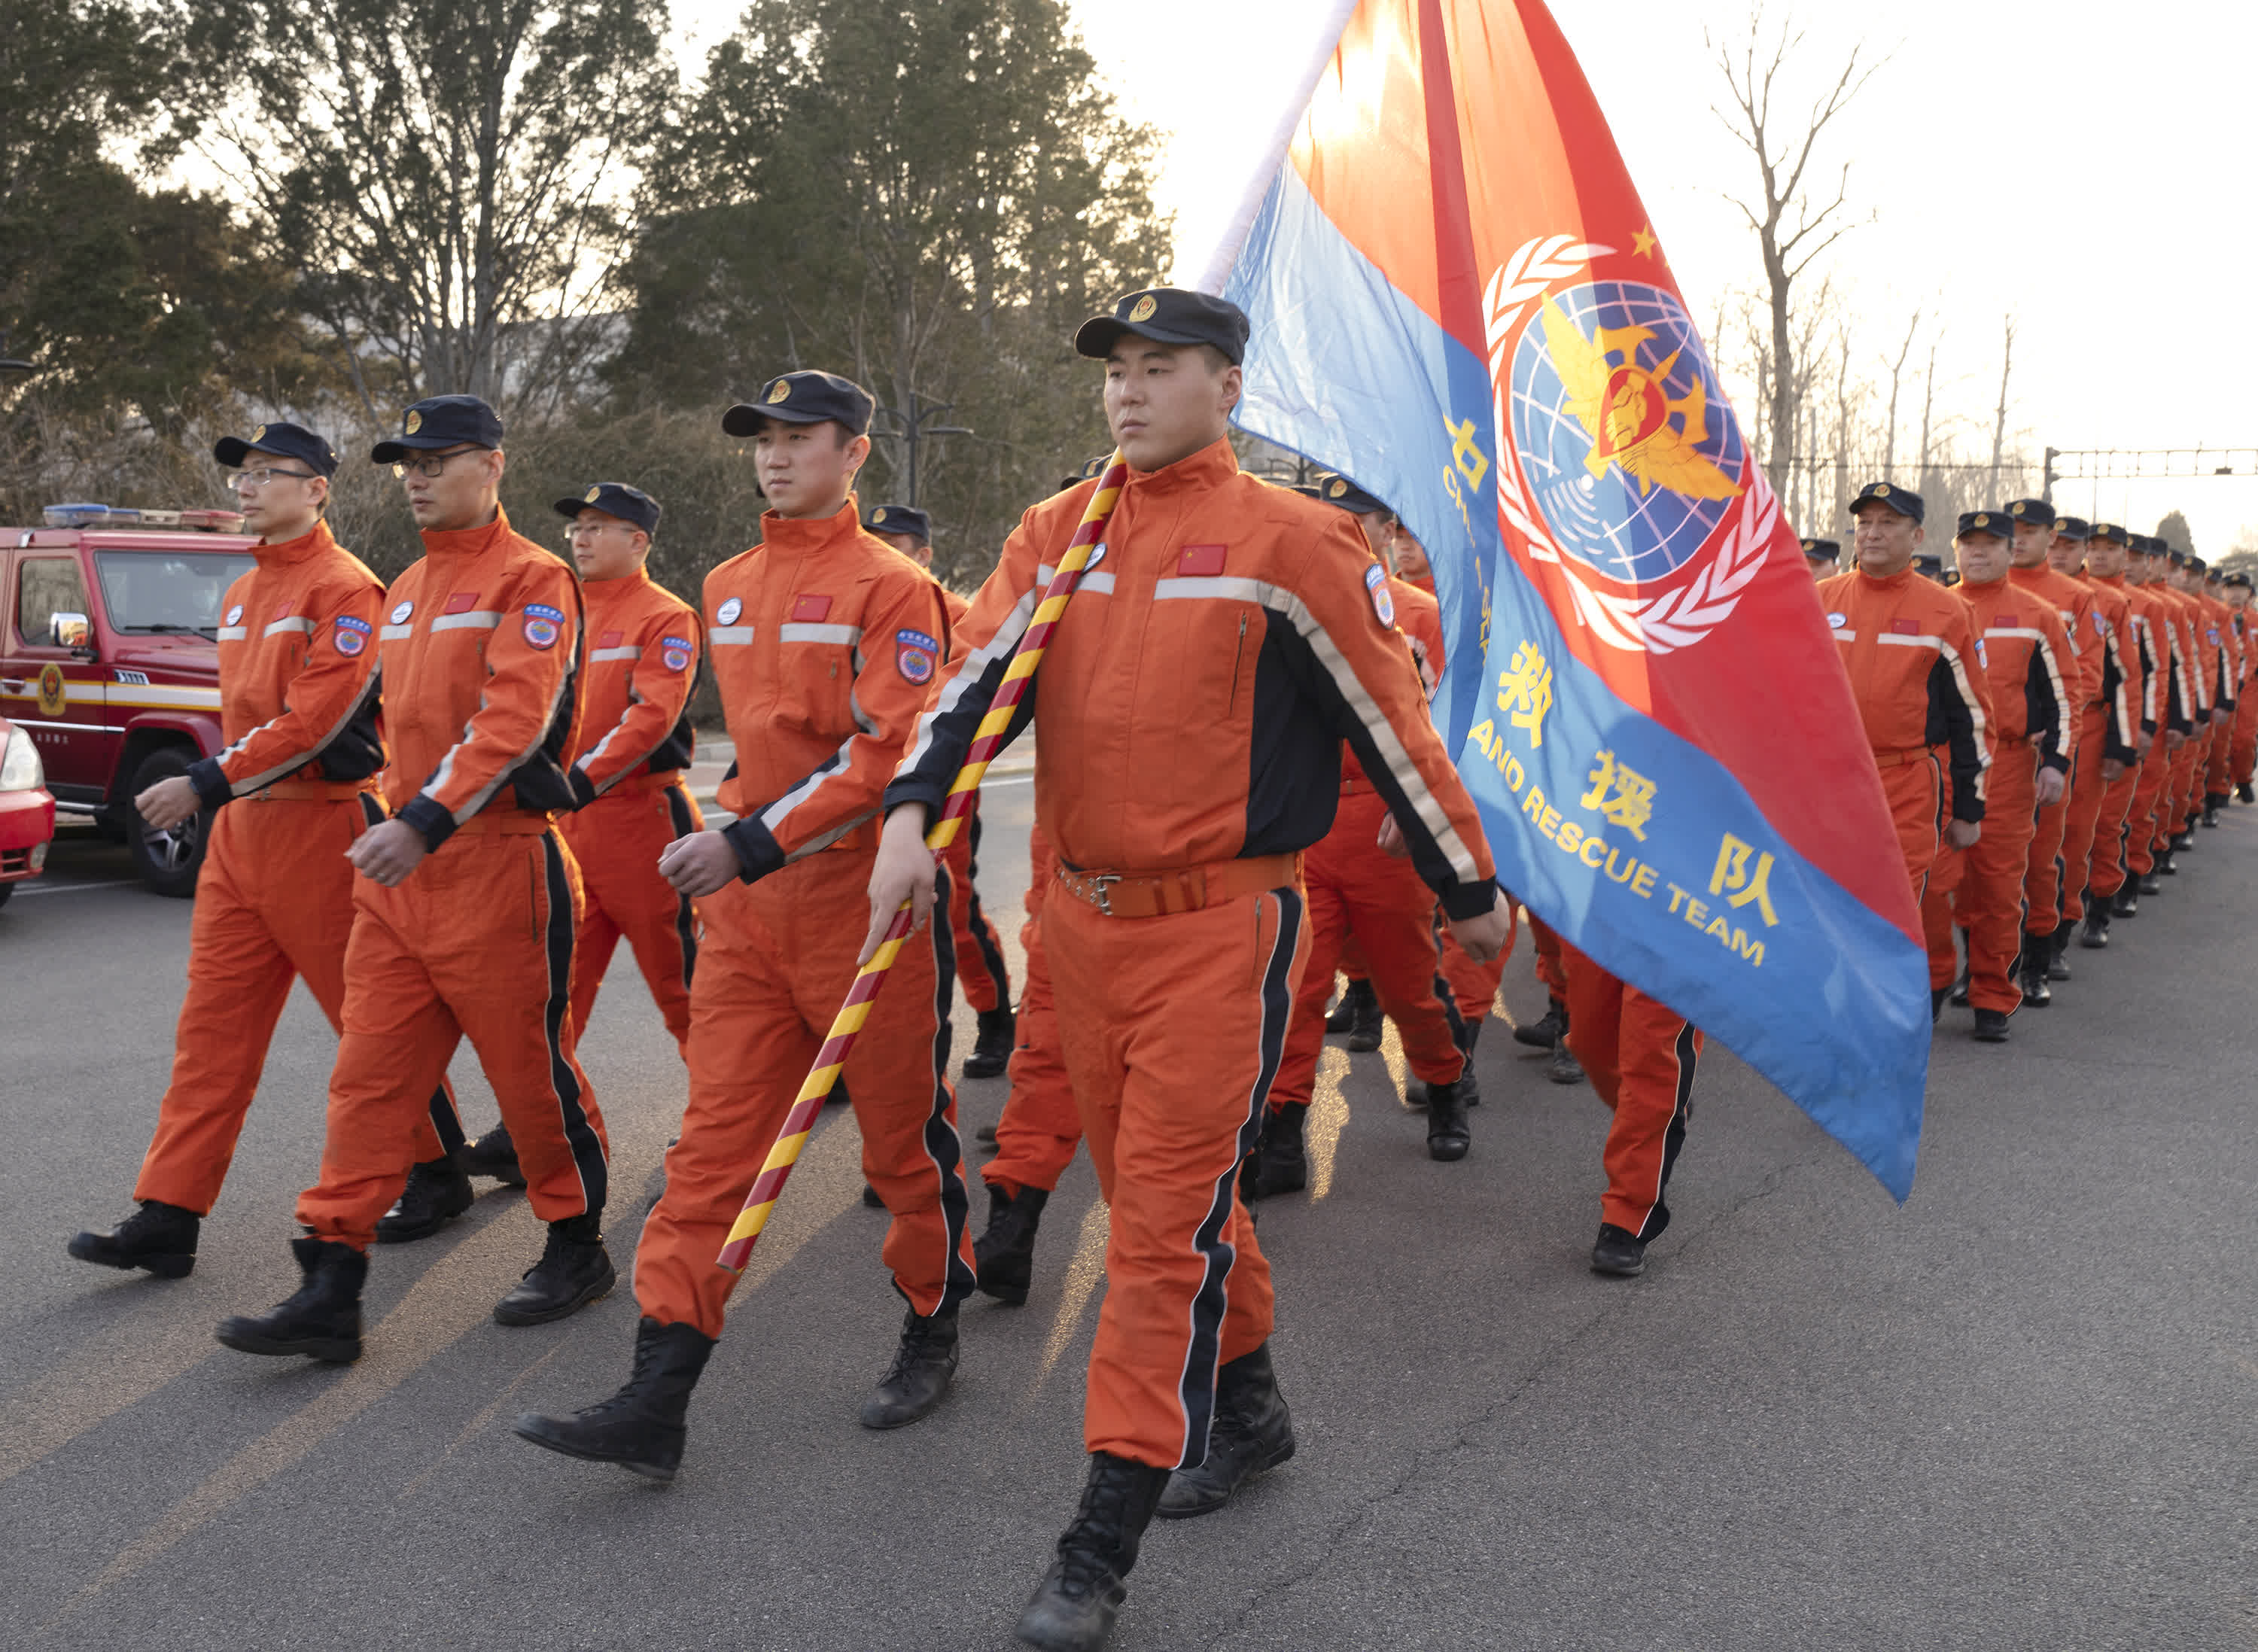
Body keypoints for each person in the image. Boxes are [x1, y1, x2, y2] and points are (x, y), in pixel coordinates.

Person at [866, 288, 1508, 1652]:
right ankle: (1256, 1411)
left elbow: (1395, 726)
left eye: (1162, 368)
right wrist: (910, 814)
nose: (1129, 391)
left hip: (1225, 932)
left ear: (1229, 385)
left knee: (1157, 1231)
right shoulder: (1061, 531)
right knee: (1193, 1201)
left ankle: (1101, 1538)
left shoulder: (1296, 541)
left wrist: (1463, 885)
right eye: (1117, 370)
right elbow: (969, 679)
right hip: (1084, 935)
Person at [514, 370, 975, 1483]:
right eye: (763, 439)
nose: (776, 456)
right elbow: (750, 745)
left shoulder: (895, 588)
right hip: (747, 918)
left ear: (853, 454)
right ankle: (656, 1391)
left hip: (864, 910)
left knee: (903, 1147)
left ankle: (934, 1315)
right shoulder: (726, 581)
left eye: (800, 438)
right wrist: (739, 851)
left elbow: (887, 752)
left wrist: (751, 838)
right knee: (708, 1151)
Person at [216, 395, 612, 1364]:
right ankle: (330, 1280)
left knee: (528, 1078)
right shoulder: (404, 587)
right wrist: (402, 820)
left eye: (438, 458)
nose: (419, 475)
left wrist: (429, 817)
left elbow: (514, 717)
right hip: (403, 872)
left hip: (499, 861)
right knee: (366, 1082)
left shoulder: (536, 578)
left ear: (493, 465)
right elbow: (393, 727)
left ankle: (575, 1242)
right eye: (407, 462)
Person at [68, 421, 467, 1277]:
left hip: (324, 829)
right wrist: (224, 791)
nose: (248, 488)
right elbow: (252, 717)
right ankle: (168, 1211)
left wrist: (205, 782)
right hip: (244, 835)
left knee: (371, 1027)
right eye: (242, 475)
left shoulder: (348, 590)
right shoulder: (247, 588)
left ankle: (437, 1169)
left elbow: (313, 720)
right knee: (211, 1035)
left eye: (268, 473)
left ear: (318, 487)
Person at [1246, 474, 1489, 1197]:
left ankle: (1445, 1084)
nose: (1351, 531)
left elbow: (1457, 719)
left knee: (1409, 983)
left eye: (1367, 520)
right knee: (1295, 987)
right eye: (1336, 518)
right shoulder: (1288, 600)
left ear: (1390, 530)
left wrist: (1420, 811)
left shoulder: (1419, 612)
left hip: (1389, 824)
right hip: (1310, 825)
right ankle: (1284, 1131)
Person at [865, 501, 1018, 1079]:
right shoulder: (862, 609)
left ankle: (995, 1016)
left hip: (943, 788)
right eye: (873, 541)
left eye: (896, 543)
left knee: (952, 911)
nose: (882, 551)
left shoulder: (959, 617)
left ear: (924, 554)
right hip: (866, 791)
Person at [1927, 513, 2071, 1043]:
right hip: (1939, 765)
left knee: (1997, 886)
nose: (1978, 553)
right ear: (1955, 548)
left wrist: (2056, 760)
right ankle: (1938, 976)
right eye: (1969, 544)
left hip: (2007, 766)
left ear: (2012, 552)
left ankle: (1991, 991)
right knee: (1933, 882)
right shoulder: (1934, 606)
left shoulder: (2038, 616)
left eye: (1991, 545)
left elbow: (2064, 696)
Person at [1817, 483, 1992, 908]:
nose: (1873, 533)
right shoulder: (1819, 600)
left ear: (1917, 536)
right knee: (1824, 909)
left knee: (1890, 913)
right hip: (1826, 784)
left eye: (1888, 523)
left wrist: (1969, 808)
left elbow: (1972, 717)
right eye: (1865, 523)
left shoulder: (1947, 612)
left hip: (1903, 787)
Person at [1998, 500, 2095, 1004]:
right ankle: (1991, 966)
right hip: (1982, 751)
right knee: (1978, 869)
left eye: (2029, 532)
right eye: (2010, 531)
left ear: (2050, 538)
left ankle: (2038, 955)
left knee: (2040, 857)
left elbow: (2082, 677)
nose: (2018, 540)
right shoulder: (1967, 595)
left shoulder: (2073, 599)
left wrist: (2050, 732)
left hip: (2045, 746)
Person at [2043, 518, 2142, 953]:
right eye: (2054, 544)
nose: (2060, 553)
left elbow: (2127, 677)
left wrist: (2124, 744)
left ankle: (2079, 917)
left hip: (2088, 725)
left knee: (2082, 830)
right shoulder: (2014, 594)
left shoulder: (2106, 602)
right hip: (2020, 735)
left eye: (2070, 546)